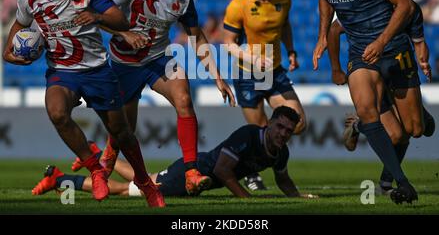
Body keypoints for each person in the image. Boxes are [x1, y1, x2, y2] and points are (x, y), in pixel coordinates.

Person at [2, 0, 165, 207]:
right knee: (57, 112)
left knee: (122, 133)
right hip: (62, 72)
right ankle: (96, 169)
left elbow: (121, 21)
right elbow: (20, 24)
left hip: (97, 71)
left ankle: (145, 182)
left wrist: (97, 15)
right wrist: (8, 53)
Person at [81, 0, 236, 196]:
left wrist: (217, 77)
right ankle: (107, 157)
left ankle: (191, 173)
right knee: (124, 131)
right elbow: (100, 15)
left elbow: (196, 37)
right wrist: (124, 34)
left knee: (184, 98)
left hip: (157, 59)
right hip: (123, 64)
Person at [312, 0, 418, 204]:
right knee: (368, 110)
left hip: (393, 50)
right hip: (360, 53)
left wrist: (381, 41)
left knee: (411, 130)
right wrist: (323, 36)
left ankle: (371, 125)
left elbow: (406, 6)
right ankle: (401, 183)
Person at [327, 0, 435, 195]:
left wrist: (423, 60)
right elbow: (334, 30)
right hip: (371, 70)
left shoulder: (409, 8)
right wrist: (336, 67)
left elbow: (419, 40)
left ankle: (361, 126)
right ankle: (388, 183)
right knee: (395, 135)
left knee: (416, 131)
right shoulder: (364, 4)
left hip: (400, 64)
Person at [32, 106, 318, 199]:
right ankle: (61, 179)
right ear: (269, 124)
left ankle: (89, 157)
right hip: (192, 173)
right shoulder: (248, 135)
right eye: (279, 127)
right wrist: (247, 199)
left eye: (288, 131)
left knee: (137, 181)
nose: (283, 134)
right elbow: (221, 170)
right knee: (126, 190)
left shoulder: (281, 153)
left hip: (196, 177)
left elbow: (283, 179)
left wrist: (298, 197)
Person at [223, 0, 306, 191]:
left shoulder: (284, 0)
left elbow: (285, 25)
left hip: (274, 71)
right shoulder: (238, 5)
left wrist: (291, 50)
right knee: (260, 133)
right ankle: (251, 173)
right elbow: (228, 44)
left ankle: (271, 165)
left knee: (298, 123)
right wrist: (251, 58)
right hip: (247, 74)